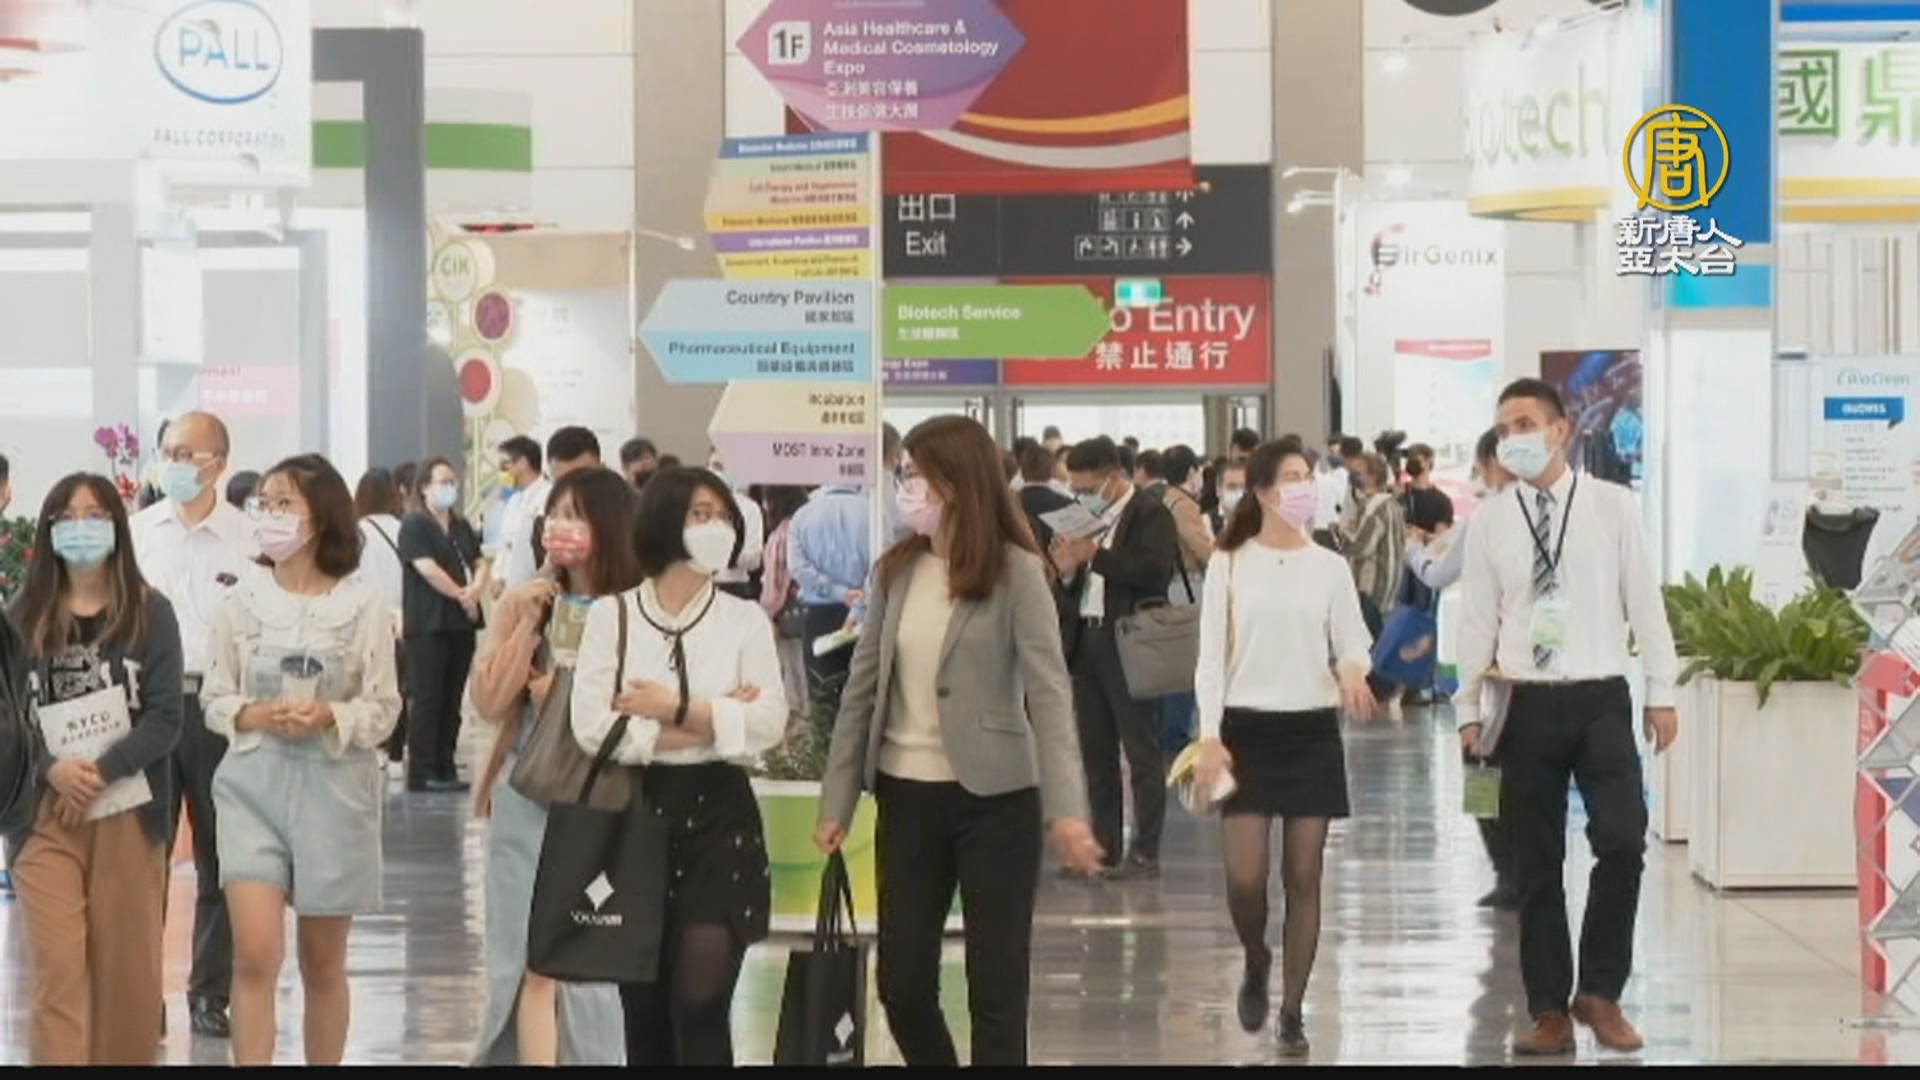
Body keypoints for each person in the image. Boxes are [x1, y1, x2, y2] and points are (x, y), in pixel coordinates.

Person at [815, 417, 1103, 1067]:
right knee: (902, 985)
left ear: (956, 482)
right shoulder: (895, 572)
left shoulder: (1016, 572)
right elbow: (862, 690)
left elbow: (1049, 694)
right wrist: (837, 799)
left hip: (997, 801)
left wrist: (1067, 810)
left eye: (917, 475)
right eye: (905, 474)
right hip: (906, 798)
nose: (907, 487)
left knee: (996, 988)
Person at [1453, 378, 1680, 1057]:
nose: (1511, 438)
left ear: (1561, 429)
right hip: (1522, 701)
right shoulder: (1491, 521)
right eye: (1503, 429)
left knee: (1623, 840)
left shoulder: (1613, 505)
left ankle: (1600, 992)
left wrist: (1662, 690)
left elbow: (1644, 600)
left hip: (1599, 695)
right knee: (1535, 864)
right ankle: (1549, 1008)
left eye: (1524, 423)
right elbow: (1476, 621)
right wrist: (1468, 710)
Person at [569, 467, 786, 1066]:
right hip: (635, 814)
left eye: (723, 516)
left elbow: (769, 722)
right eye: (700, 514)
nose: (716, 527)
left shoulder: (744, 620)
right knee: (643, 1007)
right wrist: (716, 717)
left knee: (701, 998)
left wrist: (672, 709)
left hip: (720, 817)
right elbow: (593, 726)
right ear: (666, 521)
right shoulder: (612, 616)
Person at [201, 454, 403, 1066]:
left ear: (323, 516)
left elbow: (384, 706)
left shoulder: (363, 604)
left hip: (335, 790)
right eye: (264, 503)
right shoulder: (241, 600)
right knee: (255, 954)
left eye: (285, 502)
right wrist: (255, 713)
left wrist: (330, 716)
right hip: (252, 786)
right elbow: (214, 696)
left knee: (323, 962)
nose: (270, 514)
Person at [1192, 441, 1375, 1056]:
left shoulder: (1329, 566)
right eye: (1293, 477)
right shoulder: (1229, 563)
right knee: (1245, 879)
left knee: (1304, 874)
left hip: (1312, 732)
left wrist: (1352, 671)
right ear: (1264, 491)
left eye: (1308, 476)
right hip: (1244, 732)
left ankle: (1293, 1012)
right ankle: (1255, 954)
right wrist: (1209, 736)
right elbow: (1209, 659)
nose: (1305, 487)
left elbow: (1354, 640)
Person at [9, 473, 184, 1064]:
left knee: (128, 982)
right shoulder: (19, 620)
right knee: (56, 971)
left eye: (95, 515)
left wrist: (104, 771)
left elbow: (165, 717)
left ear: (117, 527)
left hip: (130, 813)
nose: (80, 527)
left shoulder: (151, 614)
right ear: (48, 530)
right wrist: (52, 769)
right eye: (67, 517)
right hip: (42, 817)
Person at [468, 468, 634, 1067]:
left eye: (576, 515)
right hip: (526, 786)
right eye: (556, 514)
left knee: (587, 954)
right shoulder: (526, 600)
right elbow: (488, 700)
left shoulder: (634, 611)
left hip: (600, 794)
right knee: (525, 956)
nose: (561, 527)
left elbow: (641, 704)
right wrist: (525, 625)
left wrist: (565, 696)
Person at [129, 410, 255, 1040]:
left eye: (187, 453)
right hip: (147, 710)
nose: (174, 463)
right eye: (168, 451)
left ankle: (210, 992)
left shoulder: (247, 539)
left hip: (216, 708)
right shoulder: (137, 534)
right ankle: (138, 995)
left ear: (218, 463)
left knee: (218, 854)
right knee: (143, 857)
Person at [1052, 437, 1179, 880]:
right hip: (1088, 639)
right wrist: (1068, 570)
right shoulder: (1087, 518)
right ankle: (1103, 847)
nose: (1081, 496)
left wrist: (1097, 556)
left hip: (1130, 641)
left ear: (1113, 478)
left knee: (1140, 750)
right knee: (1095, 750)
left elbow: (1154, 573)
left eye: (1087, 488)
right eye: (1075, 489)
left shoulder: (1150, 514)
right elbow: (1077, 587)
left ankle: (1146, 850)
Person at [1406, 427, 1517, 910]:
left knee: (1479, 764)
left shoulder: (1486, 519)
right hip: (1528, 669)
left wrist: (1413, 549)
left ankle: (1508, 870)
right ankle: (1521, 870)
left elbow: (1437, 573)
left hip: (1497, 671)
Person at [398, 458, 488, 793]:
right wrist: (461, 595)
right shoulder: (415, 524)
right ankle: (422, 770)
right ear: (424, 487)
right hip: (428, 622)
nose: (450, 487)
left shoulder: (460, 525)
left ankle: (445, 766)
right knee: (429, 697)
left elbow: (479, 561)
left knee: (452, 698)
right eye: (443, 481)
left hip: (461, 623)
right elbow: (427, 569)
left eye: (453, 481)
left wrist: (476, 588)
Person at [788, 482, 872, 715]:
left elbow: (797, 568)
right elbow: (883, 564)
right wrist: (859, 601)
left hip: (819, 616)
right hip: (866, 615)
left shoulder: (802, 516)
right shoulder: (874, 512)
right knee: (865, 704)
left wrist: (836, 591)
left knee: (823, 706)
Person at [1159, 445, 1213, 754]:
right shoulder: (1184, 505)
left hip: (1168, 587)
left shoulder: (1162, 498)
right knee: (1188, 661)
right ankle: (1176, 733)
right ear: (1192, 472)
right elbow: (1201, 548)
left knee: (1171, 662)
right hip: (1187, 587)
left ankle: (1168, 729)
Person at [354, 470, 408, 769]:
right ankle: (397, 753)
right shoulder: (403, 529)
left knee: (369, 685)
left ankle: (376, 748)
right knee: (398, 686)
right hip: (402, 618)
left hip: (368, 617)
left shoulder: (356, 533)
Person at [705, 451, 766, 602]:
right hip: (701, 586)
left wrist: (728, 551)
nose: (715, 472)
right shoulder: (695, 504)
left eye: (721, 467)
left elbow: (754, 560)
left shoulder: (748, 508)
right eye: (712, 466)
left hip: (735, 586)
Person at [496, 435, 551, 591]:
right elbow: (505, 546)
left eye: (505, 465)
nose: (502, 472)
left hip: (539, 587)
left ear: (523, 463)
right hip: (512, 588)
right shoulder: (513, 501)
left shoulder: (549, 496)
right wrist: (499, 577)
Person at [1402, 443, 1456, 538]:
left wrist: (1419, 535)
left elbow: (1441, 539)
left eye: (1415, 460)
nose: (1411, 463)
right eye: (1409, 460)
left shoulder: (1441, 501)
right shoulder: (1400, 494)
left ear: (1429, 461)